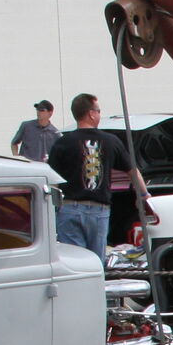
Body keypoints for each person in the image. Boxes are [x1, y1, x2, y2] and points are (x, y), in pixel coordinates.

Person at [45, 92, 132, 262]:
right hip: (99, 211)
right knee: (96, 263)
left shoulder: (63, 142)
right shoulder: (111, 141)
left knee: (74, 262)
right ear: (91, 114)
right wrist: (144, 196)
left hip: (70, 208)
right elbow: (132, 171)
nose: (99, 114)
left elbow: (51, 179)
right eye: (98, 111)